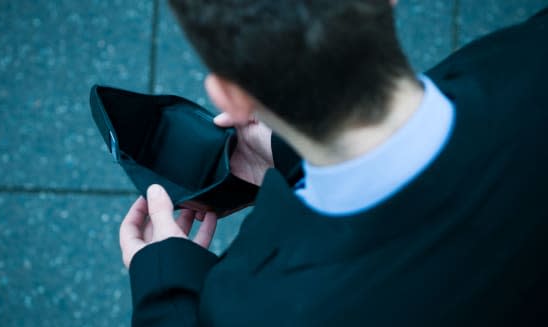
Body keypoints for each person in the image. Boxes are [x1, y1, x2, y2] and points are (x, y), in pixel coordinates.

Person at [118, 1, 548, 325]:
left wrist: (165, 282)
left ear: (231, 97)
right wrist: (287, 152)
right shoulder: (530, 56)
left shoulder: (256, 306)